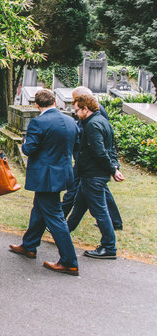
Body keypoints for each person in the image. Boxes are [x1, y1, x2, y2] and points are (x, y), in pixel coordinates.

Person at [9, 89, 80, 275]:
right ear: (55, 102)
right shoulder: (70, 121)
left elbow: (29, 149)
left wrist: (24, 142)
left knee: (55, 216)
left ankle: (69, 260)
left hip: (45, 175)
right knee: (39, 209)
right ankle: (29, 245)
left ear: (37, 105)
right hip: (63, 172)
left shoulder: (38, 122)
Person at [66, 94, 124, 259]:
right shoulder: (103, 121)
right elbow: (111, 149)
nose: (76, 114)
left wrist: (113, 169)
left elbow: (99, 152)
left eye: (77, 110)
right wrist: (114, 166)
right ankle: (62, 232)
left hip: (93, 175)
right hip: (90, 174)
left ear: (86, 108)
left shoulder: (92, 125)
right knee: (79, 206)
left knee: (100, 212)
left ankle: (109, 247)